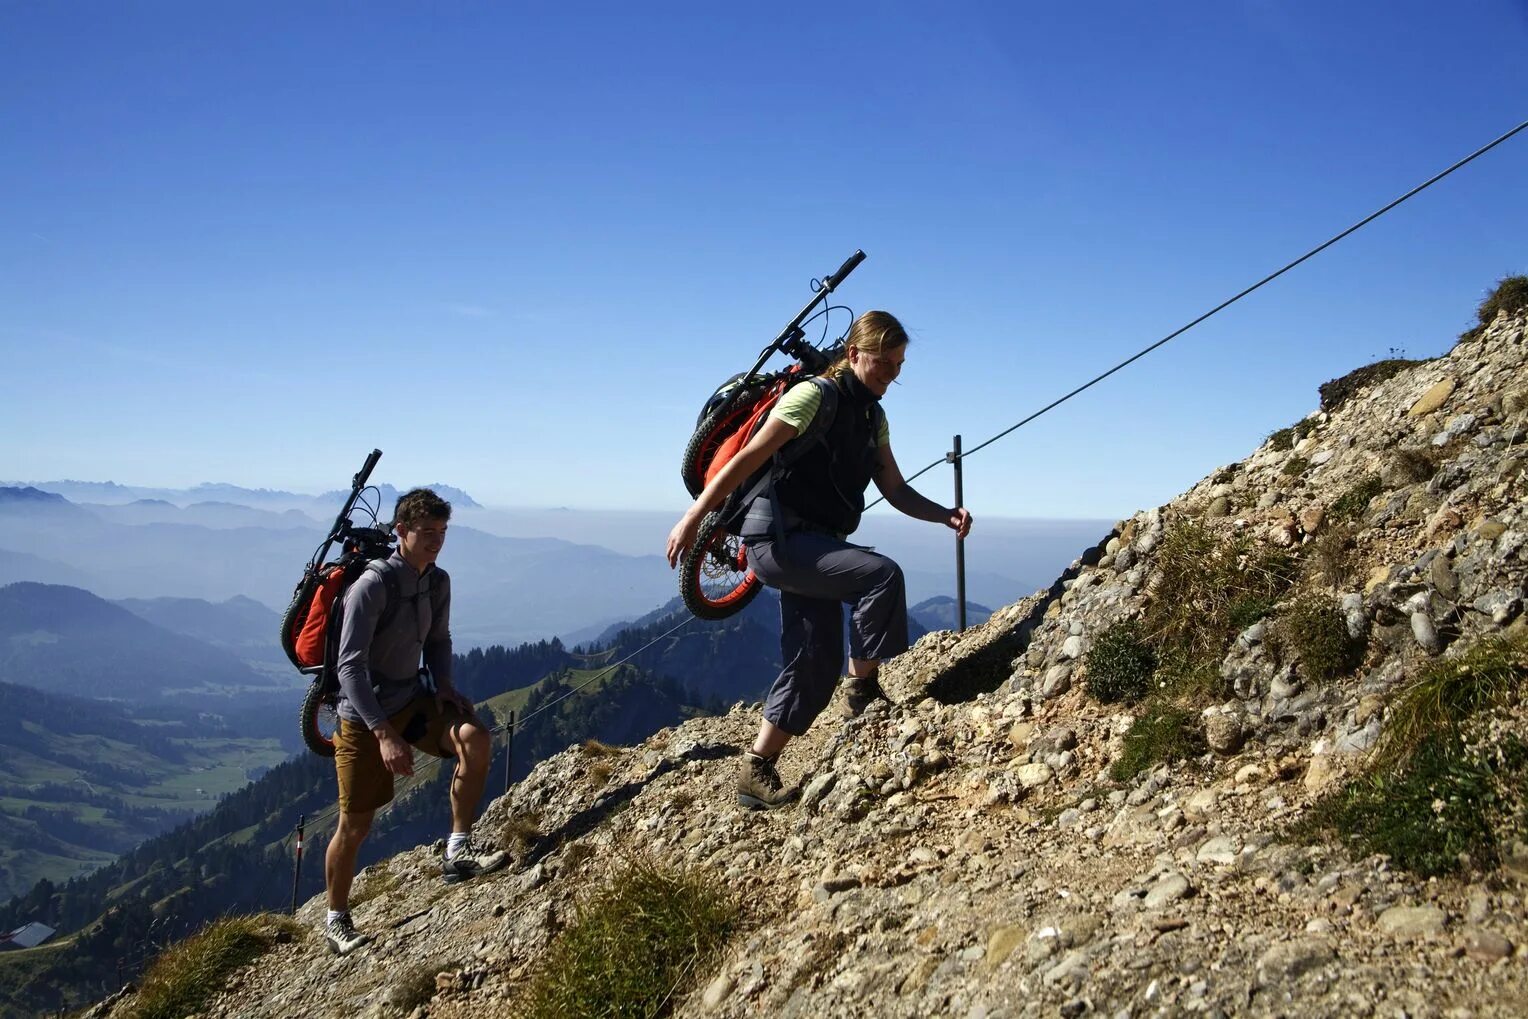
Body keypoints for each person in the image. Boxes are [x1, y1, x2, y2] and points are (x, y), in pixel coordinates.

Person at [666, 310, 973, 810]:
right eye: (883, 364)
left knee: (816, 661)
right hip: (776, 541)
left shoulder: (873, 416)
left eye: (898, 367)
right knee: (881, 576)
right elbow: (750, 458)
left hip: (814, 545)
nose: (891, 377)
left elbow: (893, 489)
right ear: (853, 354)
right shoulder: (815, 397)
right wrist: (694, 517)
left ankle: (756, 769)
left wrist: (943, 515)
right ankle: (864, 692)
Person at [322, 488, 505, 956]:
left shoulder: (436, 581)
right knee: (356, 825)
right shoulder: (372, 587)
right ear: (400, 531)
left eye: (442, 533)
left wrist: (443, 684)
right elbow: (349, 669)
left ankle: (458, 849)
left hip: (415, 698)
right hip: (364, 717)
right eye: (427, 532)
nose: (436, 541)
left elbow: (439, 639)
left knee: (475, 738)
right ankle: (336, 919)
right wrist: (383, 733)